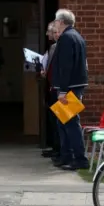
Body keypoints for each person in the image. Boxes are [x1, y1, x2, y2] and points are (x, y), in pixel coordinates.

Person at [50, 9, 89, 171]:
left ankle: (79, 158)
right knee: (63, 122)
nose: (56, 24)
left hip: (70, 88)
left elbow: (66, 66)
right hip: (76, 85)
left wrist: (63, 90)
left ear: (61, 22)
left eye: (56, 21)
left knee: (71, 123)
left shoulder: (66, 38)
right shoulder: (77, 36)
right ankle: (66, 155)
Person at [40, 22, 60, 159]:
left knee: (61, 122)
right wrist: (45, 72)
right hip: (52, 89)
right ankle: (55, 148)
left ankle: (61, 151)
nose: (47, 34)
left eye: (50, 31)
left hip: (61, 91)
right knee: (53, 121)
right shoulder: (52, 48)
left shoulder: (63, 47)